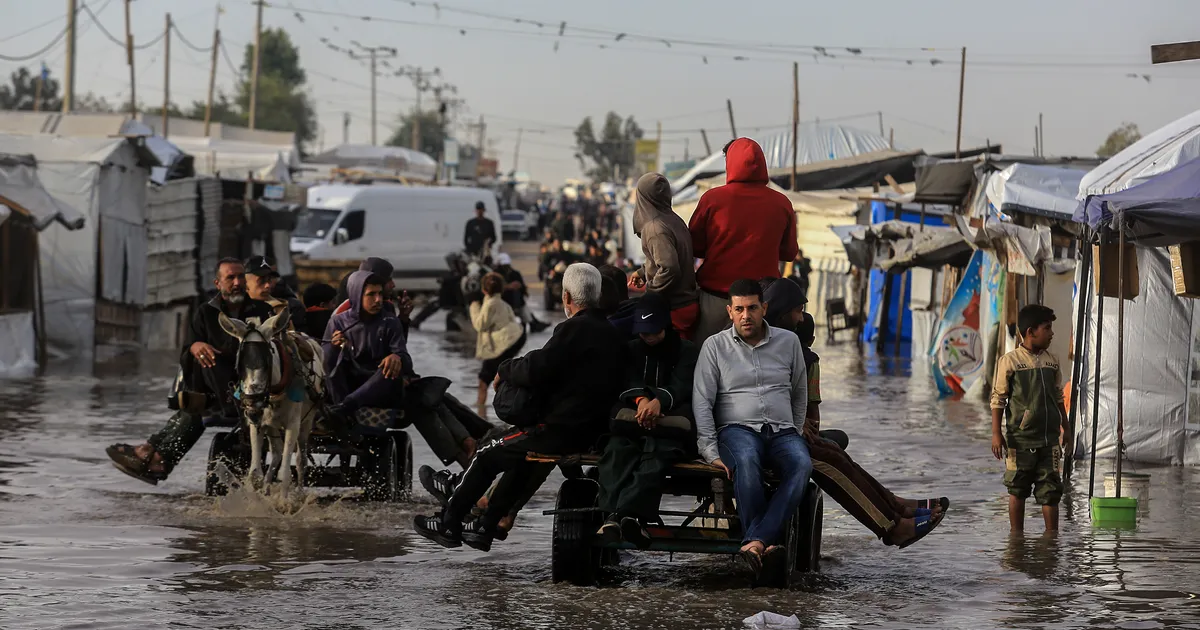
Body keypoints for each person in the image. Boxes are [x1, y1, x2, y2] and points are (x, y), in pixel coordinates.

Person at [413, 263, 628, 552]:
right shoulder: (612, 335)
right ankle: (485, 527)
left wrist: (504, 369)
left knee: (487, 454)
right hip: (590, 430)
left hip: (559, 430)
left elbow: (536, 368)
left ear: (566, 298)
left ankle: (448, 523)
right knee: (521, 459)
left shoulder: (575, 328)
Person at [763, 279, 947, 547]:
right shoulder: (769, 347)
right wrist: (794, 424)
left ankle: (893, 507)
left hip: (782, 430)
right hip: (768, 434)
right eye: (797, 311)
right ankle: (891, 527)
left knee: (833, 451)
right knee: (826, 459)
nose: (801, 318)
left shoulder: (783, 344)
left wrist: (797, 424)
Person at [105, 258, 274, 484]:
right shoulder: (206, 312)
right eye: (230, 278)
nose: (237, 282)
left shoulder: (262, 311)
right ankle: (155, 454)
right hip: (217, 388)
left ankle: (154, 455)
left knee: (200, 409)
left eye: (240, 276)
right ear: (218, 283)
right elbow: (188, 346)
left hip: (249, 390)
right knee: (199, 377)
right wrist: (195, 346)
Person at [692, 279, 811, 579]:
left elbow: (799, 392)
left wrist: (794, 429)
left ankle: (754, 542)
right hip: (737, 430)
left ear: (764, 308)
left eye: (753, 308)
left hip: (782, 431)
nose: (747, 316)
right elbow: (702, 401)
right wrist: (709, 450)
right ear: (729, 311)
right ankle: (761, 541)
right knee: (746, 461)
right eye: (740, 309)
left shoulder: (789, 342)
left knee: (802, 464)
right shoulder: (714, 347)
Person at [596, 291, 699, 549]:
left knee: (655, 460)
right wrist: (641, 401)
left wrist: (658, 402)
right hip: (632, 422)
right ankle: (622, 518)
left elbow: (683, 384)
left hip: (669, 427)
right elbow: (627, 380)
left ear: (666, 325)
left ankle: (619, 517)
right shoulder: (630, 349)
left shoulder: (686, 351)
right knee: (616, 454)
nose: (649, 337)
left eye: (653, 331)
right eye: (644, 332)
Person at [689, 138, 799, 345]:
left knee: (706, 363)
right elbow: (789, 252)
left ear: (730, 163)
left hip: (716, 301)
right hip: (762, 304)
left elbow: (694, 246)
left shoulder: (712, 200)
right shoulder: (781, 203)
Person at [991, 304, 1067, 533]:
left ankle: (1051, 540)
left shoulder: (1052, 361)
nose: (1052, 333)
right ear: (1031, 331)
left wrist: (1066, 426)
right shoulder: (1010, 361)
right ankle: (1016, 539)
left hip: (1049, 440)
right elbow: (998, 399)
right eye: (1047, 328)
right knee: (1017, 489)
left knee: (1051, 491)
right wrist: (996, 433)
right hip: (1020, 440)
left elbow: (1058, 395)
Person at [627, 172, 700, 338]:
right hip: (687, 304)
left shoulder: (654, 228)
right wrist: (643, 272)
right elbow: (672, 257)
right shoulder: (673, 219)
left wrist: (651, 293)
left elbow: (670, 268)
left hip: (673, 306)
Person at [470, 272, 527, 411]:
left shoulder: (489, 304)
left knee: (484, 381)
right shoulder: (501, 302)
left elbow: (479, 325)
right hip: (516, 337)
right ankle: (509, 406)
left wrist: (474, 307)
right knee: (502, 375)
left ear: (483, 290)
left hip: (504, 344)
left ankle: (481, 412)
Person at [494, 253, 549, 333]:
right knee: (524, 311)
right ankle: (534, 323)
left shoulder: (515, 273)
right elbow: (494, 289)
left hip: (517, 301)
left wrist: (521, 288)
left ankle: (534, 324)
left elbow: (522, 286)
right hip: (503, 301)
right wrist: (508, 287)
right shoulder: (496, 275)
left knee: (524, 310)